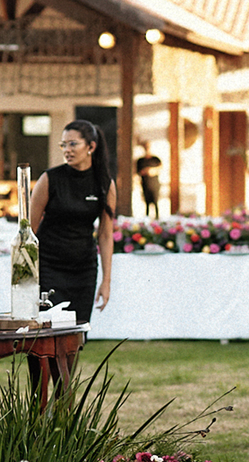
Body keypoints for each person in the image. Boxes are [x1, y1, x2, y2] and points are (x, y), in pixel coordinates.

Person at [29, 119, 116, 324]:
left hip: (84, 270)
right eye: (64, 145)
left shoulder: (104, 184)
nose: (67, 150)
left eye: (73, 144)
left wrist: (106, 282)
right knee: (48, 330)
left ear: (91, 147)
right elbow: (29, 230)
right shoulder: (49, 179)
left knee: (78, 331)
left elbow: (105, 235)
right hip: (49, 266)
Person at [136, 142, 162, 219]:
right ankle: (146, 218)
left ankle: (157, 217)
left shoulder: (155, 159)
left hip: (154, 183)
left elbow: (160, 168)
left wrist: (152, 171)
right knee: (147, 202)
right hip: (145, 184)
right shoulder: (141, 160)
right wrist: (146, 171)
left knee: (155, 201)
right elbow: (139, 172)